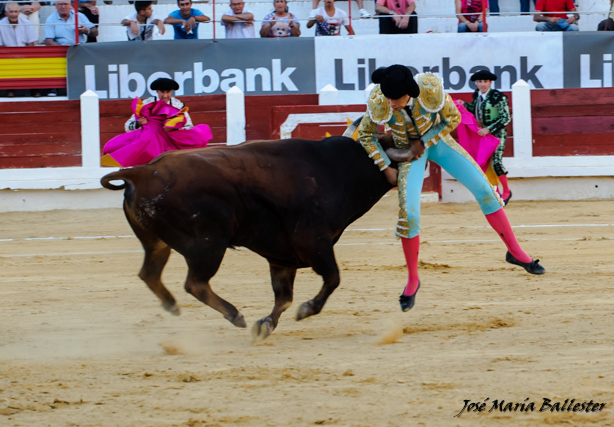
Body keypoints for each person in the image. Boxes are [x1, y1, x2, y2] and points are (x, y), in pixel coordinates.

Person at [355, 65, 545, 312]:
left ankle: (516, 252)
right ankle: (413, 279)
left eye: (395, 98)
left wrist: (424, 142)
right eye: (388, 97)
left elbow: (452, 118)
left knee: (486, 191)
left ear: (410, 93)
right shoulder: (380, 99)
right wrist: (385, 167)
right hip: (409, 153)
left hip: (438, 143)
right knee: (409, 215)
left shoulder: (430, 89)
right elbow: (366, 135)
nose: (390, 103)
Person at [101, 78, 213, 168]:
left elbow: (189, 127)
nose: (165, 95)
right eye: (162, 92)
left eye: (168, 92)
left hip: (171, 141)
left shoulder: (178, 106)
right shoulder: (146, 104)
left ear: (171, 91)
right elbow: (127, 126)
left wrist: (174, 128)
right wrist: (139, 123)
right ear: (157, 91)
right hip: (152, 142)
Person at [463, 70, 512, 205]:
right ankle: (495, 191)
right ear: (476, 83)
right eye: (479, 82)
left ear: (490, 82)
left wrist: (489, 128)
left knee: (496, 162)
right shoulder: (478, 96)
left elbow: (506, 118)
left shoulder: (498, 97)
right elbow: (473, 108)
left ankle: (506, 191)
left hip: (497, 134)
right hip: (485, 135)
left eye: (485, 81)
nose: (482, 84)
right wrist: (463, 105)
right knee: (486, 163)